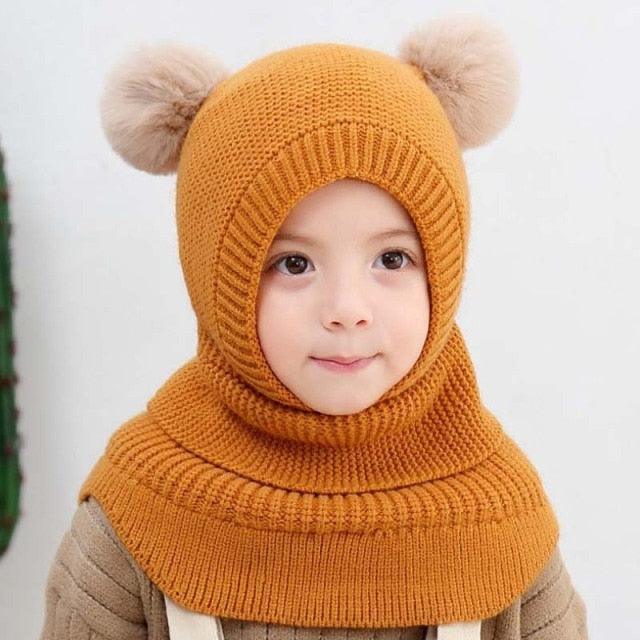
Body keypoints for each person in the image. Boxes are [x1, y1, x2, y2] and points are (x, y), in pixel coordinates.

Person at [39, 14, 589, 640]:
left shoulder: (500, 517)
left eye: (392, 259)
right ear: (215, 280)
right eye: (294, 264)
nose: (347, 308)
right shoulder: (141, 510)